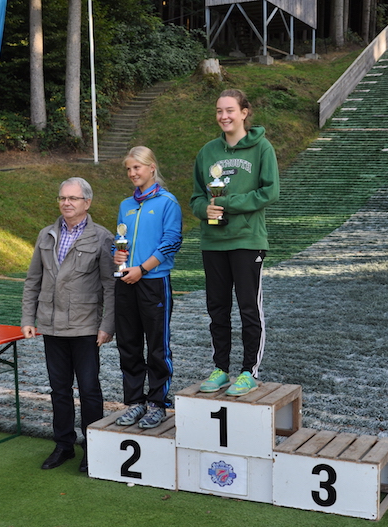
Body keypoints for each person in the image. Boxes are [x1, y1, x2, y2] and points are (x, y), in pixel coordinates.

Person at [21, 177, 115, 473]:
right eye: (62, 198)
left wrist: (107, 325)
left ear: (87, 202)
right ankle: (63, 445)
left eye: (73, 198)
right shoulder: (46, 235)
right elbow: (33, 280)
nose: (66, 203)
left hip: (86, 327)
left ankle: (92, 448)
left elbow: (110, 285)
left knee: (89, 390)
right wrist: (28, 319)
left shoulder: (102, 237)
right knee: (59, 390)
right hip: (51, 326)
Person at [190, 89, 280, 397]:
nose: (224, 116)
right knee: (217, 309)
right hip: (213, 242)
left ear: (244, 112)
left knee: (248, 308)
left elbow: (269, 192)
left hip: (247, 240)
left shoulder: (262, 148)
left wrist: (227, 203)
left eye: (229, 110)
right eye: (219, 111)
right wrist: (205, 209)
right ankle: (220, 368)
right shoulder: (207, 152)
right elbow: (196, 197)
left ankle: (249, 372)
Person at [113, 146, 182, 429]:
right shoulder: (125, 206)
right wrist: (117, 256)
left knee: (156, 346)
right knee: (128, 344)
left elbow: (171, 242)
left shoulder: (167, 202)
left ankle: (157, 404)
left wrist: (142, 269)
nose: (132, 173)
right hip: (125, 281)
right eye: (129, 169)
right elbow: (120, 241)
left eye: (137, 167)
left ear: (152, 167)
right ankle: (135, 403)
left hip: (153, 282)